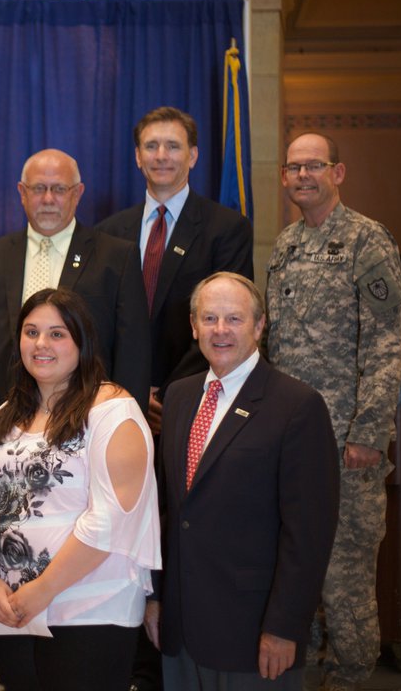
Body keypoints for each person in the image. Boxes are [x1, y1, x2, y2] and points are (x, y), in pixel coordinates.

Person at [146, 272, 339, 690]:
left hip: (254, 637)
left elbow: (309, 533)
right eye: (209, 318)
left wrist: (286, 626)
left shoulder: (297, 406)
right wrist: (156, 597)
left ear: (259, 325)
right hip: (179, 630)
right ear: (193, 326)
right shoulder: (178, 398)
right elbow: (165, 510)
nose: (220, 330)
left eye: (233, 319)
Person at [0, 287, 161, 691]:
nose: (41, 344)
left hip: (92, 607)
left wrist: (42, 590)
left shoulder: (113, 409)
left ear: (82, 341)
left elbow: (111, 519)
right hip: (13, 608)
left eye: (57, 334)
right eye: (31, 331)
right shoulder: (5, 415)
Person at [265, 133, 401, 691]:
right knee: (297, 567)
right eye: (294, 167)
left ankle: (349, 680)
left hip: (347, 446)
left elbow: (387, 344)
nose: (304, 176)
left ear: (338, 173)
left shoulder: (367, 240)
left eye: (315, 166)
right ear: (284, 177)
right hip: (291, 443)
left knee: (343, 581)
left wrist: (369, 433)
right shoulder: (286, 246)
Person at [0, 148, 151, 429]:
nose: (48, 199)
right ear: (22, 192)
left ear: (77, 193)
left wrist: (128, 424)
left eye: (58, 188)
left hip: (87, 422)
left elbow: (133, 355)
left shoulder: (116, 258)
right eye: (38, 188)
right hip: (2, 423)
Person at [95, 106, 253, 430]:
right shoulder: (107, 232)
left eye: (173, 146)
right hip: (116, 403)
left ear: (193, 156)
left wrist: (169, 393)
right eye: (151, 146)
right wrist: (128, 391)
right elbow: (101, 322)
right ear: (138, 156)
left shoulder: (227, 229)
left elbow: (225, 324)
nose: (162, 155)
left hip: (194, 398)